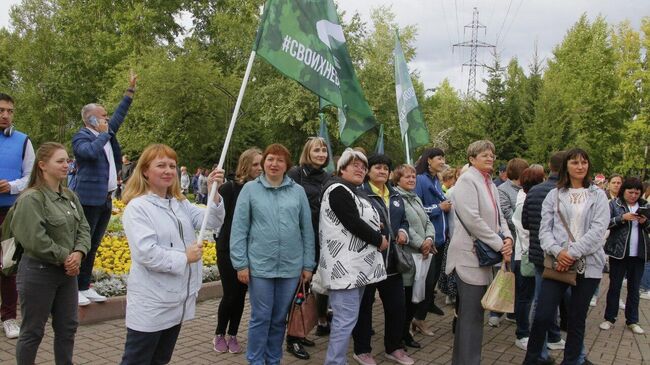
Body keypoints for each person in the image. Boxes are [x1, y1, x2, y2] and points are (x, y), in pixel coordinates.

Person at [119, 144, 225, 364]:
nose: (168, 170)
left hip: (176, 301)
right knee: (137, 359)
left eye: (172, 165)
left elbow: (212, 221)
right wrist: (184, 257)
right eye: (161, 165)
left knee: (160, 359)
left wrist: (215, 193)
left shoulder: (180, 204)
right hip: (152, 302)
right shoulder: (138, 207)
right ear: (145, 171)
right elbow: (146, 253)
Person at [230, 143, 315, 365]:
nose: (274, 164)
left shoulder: (297, 192)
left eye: (279, 160)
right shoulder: (250, 189)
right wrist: (241, 264)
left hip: (291, 267)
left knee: (279, 319)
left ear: (287, 165)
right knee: (261, 317)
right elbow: (239, 229)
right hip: (260, 267)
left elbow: (307, 230)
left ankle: (273, 359)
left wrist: (308, 265)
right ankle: (255, 360)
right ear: (264, 162)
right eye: (270, 159)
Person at [524, 148, 609, 365]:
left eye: (584, 162)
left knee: (576, 320)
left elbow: (598, 231)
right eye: (574, 162)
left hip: (588, 265)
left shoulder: (598, 195)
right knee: (543, 315)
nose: (580, 166)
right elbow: (544, 230)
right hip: (557, 264)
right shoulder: (555, 194)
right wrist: (557, 252)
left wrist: (570, 253)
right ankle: (532, 359)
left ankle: (572, 361)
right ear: (566, 166)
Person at [12, 142, 90, 364]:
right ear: (42, 165)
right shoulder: (31, 199)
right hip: (38, 272)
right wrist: (67, 256)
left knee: (67, 328)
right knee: (32, 332)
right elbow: (35, 239)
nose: (67, 165)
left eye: (68, 160)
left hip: (67, 274)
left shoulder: (70, 196)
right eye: (60, 161)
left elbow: (84, 228)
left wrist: (79, 253)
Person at [445, 140, 513, 365]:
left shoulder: (490, 183)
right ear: (472, 159)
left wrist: (508, 238)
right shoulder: (467, 180)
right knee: (471, 317)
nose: (490, 157)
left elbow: (499, 216)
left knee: (473, 316)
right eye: (484, 154)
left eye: (492, 154)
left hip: (481, 256)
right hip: (468, 257)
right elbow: (472, 219)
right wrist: (498, 243)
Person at [72, 72, 137, 306]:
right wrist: (102, 134)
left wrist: (129, 91)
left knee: (95, 243)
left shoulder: (106, 133)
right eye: (103, 116)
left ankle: (85, 285)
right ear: (90, 120)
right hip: (88, 199)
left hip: (106, 198)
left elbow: (120, 114)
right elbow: (88, 153)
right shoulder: (81, 137)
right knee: (82, 244)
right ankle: (74, 288)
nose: (108, 119)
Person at [318, 148, 387, 365]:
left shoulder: (354, 191)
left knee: (348, 319)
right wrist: (378, 239)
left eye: (363, 167)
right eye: (355, 165)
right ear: (342, 168)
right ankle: (335, 362)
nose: (361, 169)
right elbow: (352, 222)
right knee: (345, 320)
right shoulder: (338, 189)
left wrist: (377, 225)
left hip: (356, 269)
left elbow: (359, 219)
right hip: (345, 269)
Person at [352, 154, 414, 365]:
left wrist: (404, 231)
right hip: (368, 262)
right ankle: (362, 350)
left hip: (392, 262)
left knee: (397, 307)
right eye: (377, 167)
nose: (382, 171)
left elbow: (403, 220)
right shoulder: (360, 194)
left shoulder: (395, 195)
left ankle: (393, 347)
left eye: (386, 168)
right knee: (364, 308)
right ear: (368, 171)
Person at [212, 148, 262, 354]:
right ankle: (219, 333)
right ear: (246, 165)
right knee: (230, 294)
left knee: (241, 295)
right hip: (228, 248)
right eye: (255, 164)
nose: (259, 168)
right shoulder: (230, 188)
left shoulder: (263, 190)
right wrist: (213, 188)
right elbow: (216, 213)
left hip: (252, 249)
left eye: (261, 164)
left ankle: (233, 334)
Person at [285, 137, 331, 360]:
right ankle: (291, 339)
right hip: (298, 240)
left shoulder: (328, 178)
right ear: (307, 152)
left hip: (319, 240)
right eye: (316, 150)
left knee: (307, 289)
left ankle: (300, 331)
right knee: (297, 291)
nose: (321, 153)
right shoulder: (295, 174)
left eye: (324, 150)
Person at [521, 151, 567, 360]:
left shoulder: (535, 190)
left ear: (549, 166)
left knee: (541, 301)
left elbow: (525, 223)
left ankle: (540, 349)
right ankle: (550, 341)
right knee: (561, 301)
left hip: (539, 254)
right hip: (566, 256)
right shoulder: (569, 191)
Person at [0, 93, 33, 339]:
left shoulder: (22, 140)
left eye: (10, 111)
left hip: (8, 213)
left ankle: (9, 317)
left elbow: (30, 176)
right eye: (2, 110)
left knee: (8, 264)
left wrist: (10, 186)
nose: (6, 115)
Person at [393, 164, 436, 345]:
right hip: (408, 256)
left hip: (422, 255)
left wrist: (429, 239)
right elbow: (403, 226)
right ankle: (400, 334)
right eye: (407, 177)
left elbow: (427, 221)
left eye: (413, 177)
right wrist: (420, 244)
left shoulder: (415, 197)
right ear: (397, 180)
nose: (411, 180)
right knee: (404, 300)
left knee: (414, 298)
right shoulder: (396, 199)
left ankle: (407, 332)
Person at [600, 177, 649, 334]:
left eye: (637, 192)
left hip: (639, 253)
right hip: (618, 252)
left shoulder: (645, 206)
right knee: (615, 286)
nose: (634, 195)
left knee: (634, 289)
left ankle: (633, 320)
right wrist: (622, 218)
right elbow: (605, 223)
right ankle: (609, 318)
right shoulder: (615, 204)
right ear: (624, 191)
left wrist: (645, 222)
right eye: (630, 192)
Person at [489, 157, 529, 327]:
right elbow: (506, 214)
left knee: (520, 279)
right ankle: (495, 311)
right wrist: (526, 224)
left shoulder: (527, 189)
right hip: (510, 241)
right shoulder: (503, 190)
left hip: (523, 243)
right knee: (506, 277)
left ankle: (513, 312)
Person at [511, 166, 546, 351]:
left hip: (530, 254)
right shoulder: (524, 203)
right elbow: (526, 230)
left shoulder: (527, 199)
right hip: (524, 256)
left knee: (531, 296)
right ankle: (522, 333)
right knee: (525, 297)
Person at [415, 148, 450, 318]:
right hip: (429, 238)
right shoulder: (420, 180)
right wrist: (439, 208)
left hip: (441, 238)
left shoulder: (436, 179)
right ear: (429, 160)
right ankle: (418, 316)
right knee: (427, 281)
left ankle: (428, 304)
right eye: (439, 158)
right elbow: (417, 208)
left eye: (443, 158)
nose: (442, 161)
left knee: (433, 280)